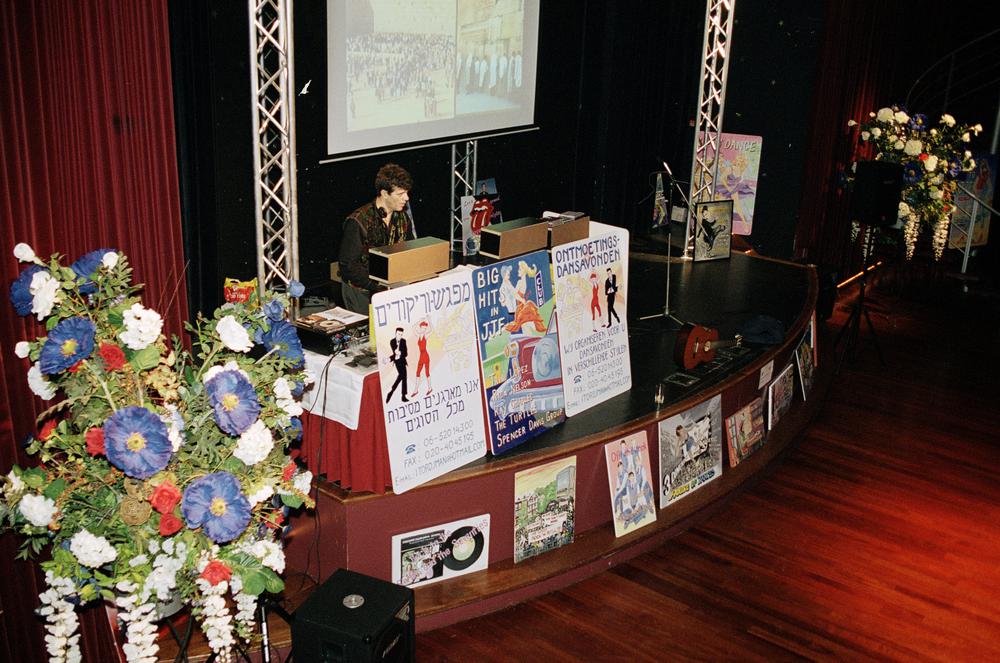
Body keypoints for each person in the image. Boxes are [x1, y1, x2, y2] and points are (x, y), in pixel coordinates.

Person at [338, 163, 414, 314]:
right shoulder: (358, 221)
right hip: (361, 292)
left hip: (389, 289)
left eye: (406, 193)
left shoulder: (403, 218)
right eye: (400, 194)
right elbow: (348, 265)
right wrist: (378, 285)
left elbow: (408, 250)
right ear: (384, 193)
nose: (406, 198)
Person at [409, 319, 432, 397]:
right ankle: (416, 390)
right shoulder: (418, 335)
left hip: (425, 356)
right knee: (417, 372)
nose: (424, 330)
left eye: (425, 328)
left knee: (427, 372)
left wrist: (430, 320)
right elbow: (413, 327)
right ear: (420, 328)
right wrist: (420, 320)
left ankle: (430, 388)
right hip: (421, 356)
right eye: (423, 328)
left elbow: (431, 330)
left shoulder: (426, 336)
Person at [385, 327, 409, 404]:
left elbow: (406, 353)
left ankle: (401, 395)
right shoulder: (392, 341)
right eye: (399, 334)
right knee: (402, 376)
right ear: (395, 333)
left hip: (403, 361)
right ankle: (394, 392)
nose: (400, 336)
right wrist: (390, 358)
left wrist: (400, 353)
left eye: (401, 334)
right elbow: (395, 352)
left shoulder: (403, 341)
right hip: (397, 362)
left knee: (403, 377)